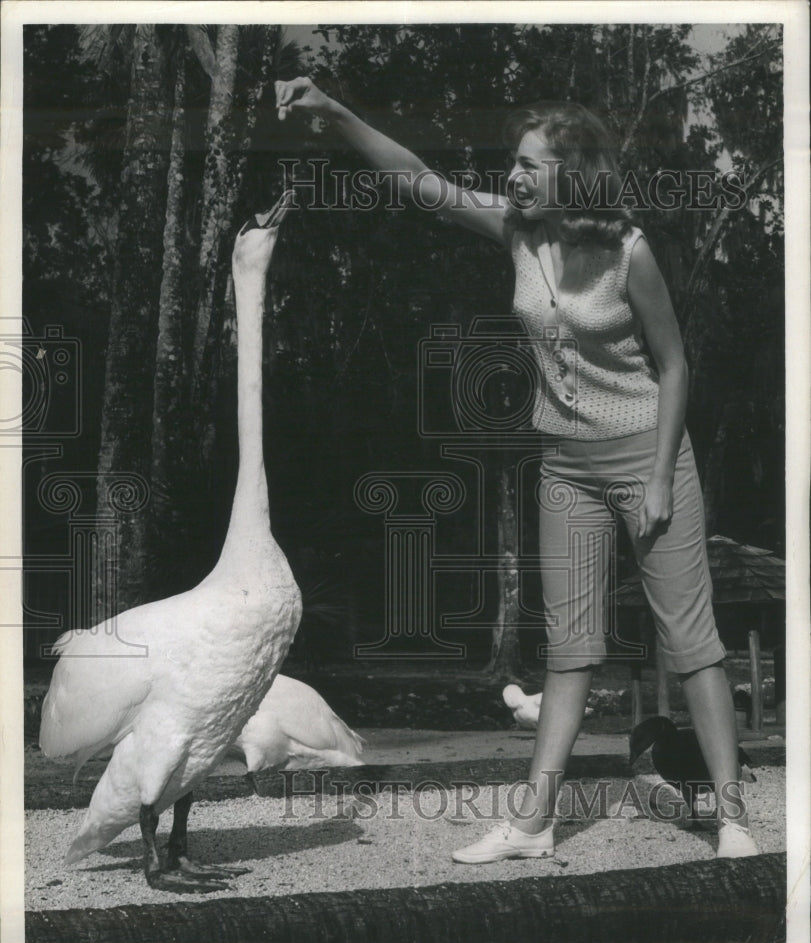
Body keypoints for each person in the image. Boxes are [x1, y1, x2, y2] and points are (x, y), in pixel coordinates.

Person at [273, 77, 759, 861]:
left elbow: (674, 366)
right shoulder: (516, 234)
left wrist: (663, 478)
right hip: (563, 464)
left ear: (572, 173)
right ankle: (532, 824)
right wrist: (335, 114)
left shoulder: (626, 252)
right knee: (567, 646)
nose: (516, 176)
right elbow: (419, 182)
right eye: (514, 162)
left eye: (531, 164)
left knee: (690, 643)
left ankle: (731, 816)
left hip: (645, 457)